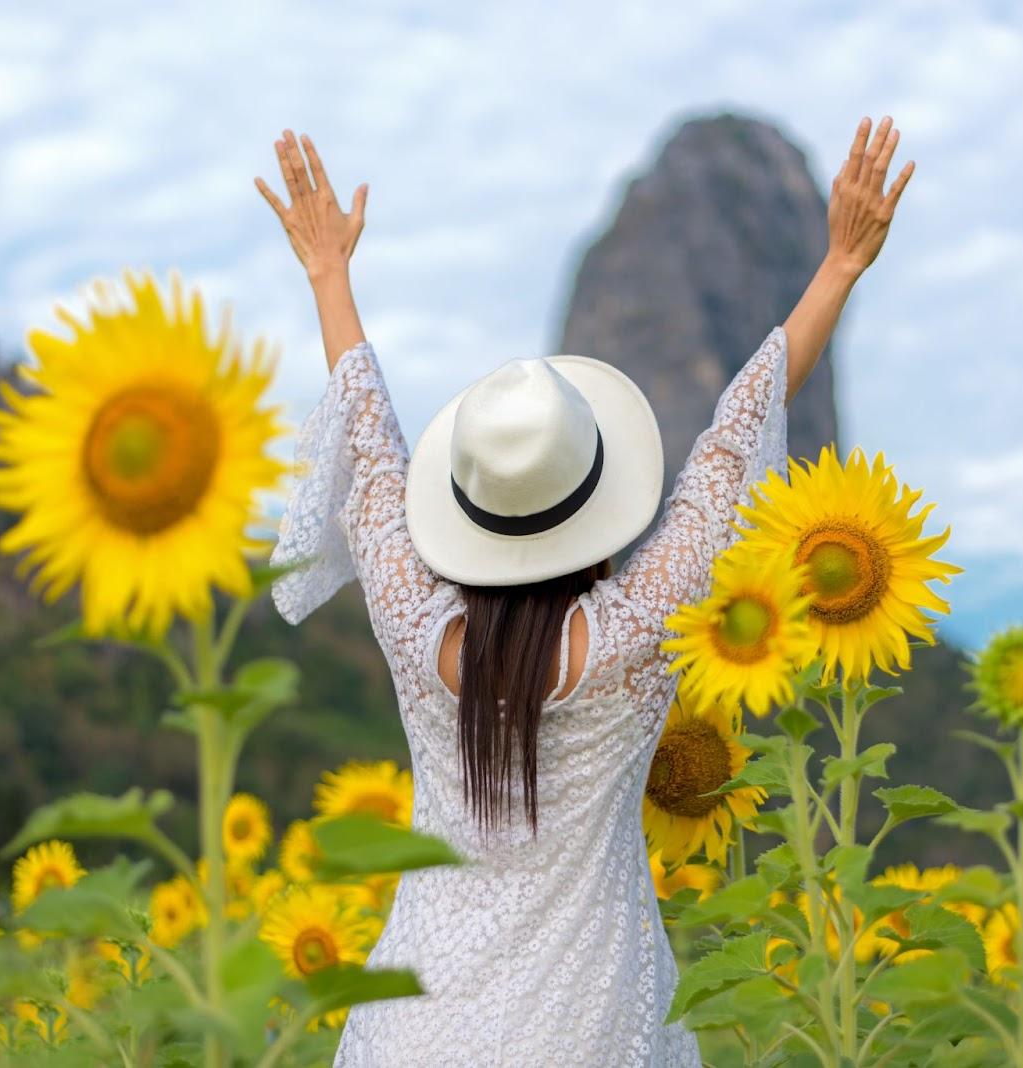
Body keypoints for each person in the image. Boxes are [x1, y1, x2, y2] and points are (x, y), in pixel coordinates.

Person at [257, 116, 913, 1067]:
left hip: (419, 1027)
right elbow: (735, 439)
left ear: (469, 522)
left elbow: (366, 437)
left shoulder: (414, 622)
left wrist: (328, 274)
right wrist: (839, 266)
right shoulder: (639, 629)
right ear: (599, 512)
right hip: (587, 1026)